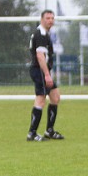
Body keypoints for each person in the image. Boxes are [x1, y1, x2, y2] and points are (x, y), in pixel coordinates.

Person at [26, 10, 64, 142]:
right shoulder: (41, 34)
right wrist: (47, 75)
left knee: (55, 97)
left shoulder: (44, 33)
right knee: (41, 99)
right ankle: (32, 133)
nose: (51, 20)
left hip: (43, 71)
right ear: (42, 19)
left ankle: (49, 131)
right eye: (48, 18)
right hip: (39, 71)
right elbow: (40, 56)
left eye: (52, 18)